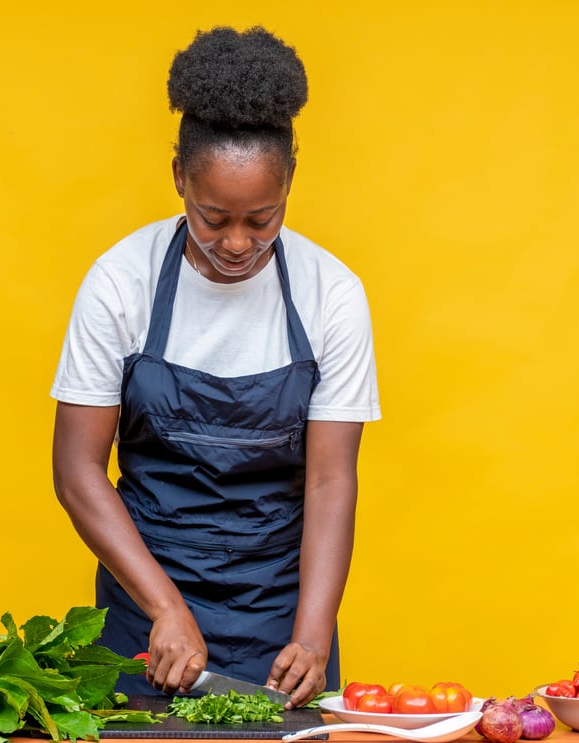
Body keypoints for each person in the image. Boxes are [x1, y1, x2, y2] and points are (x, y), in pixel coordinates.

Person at [50, 25, 380, 708]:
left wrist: (312, 638)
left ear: (290, 182)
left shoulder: (332, 294)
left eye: (263, 218)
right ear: (179, 178)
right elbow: (78, 469)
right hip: (144, 612)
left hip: (280, 613)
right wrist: (163, 606)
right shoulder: (121, 283)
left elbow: (329, 479)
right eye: (212, 216)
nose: (237, 243)